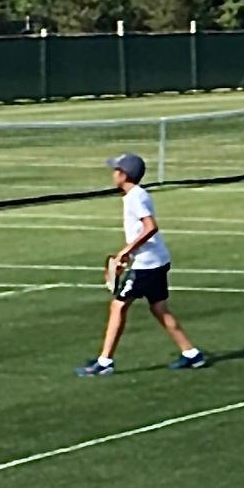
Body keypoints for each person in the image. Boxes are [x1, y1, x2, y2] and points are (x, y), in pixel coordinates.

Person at [75, 153, 205, 377]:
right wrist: (130, 253)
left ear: (123, 175)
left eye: (116, 170)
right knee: (159, 308)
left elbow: (150, 227)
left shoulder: (135, 197)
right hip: (156, 260)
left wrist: (126, 251)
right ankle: (192, 354)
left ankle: (105, 362)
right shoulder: (135, 195)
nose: (113, 174)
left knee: (118, 306)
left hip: (148, 265)